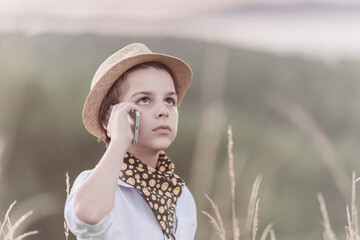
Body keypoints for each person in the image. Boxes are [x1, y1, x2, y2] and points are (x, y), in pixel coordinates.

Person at [64, 43, 197, 240]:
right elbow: (88, 215)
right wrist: (119, 139)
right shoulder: (97, 186)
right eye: (144, 99)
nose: (163, 111)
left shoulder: (182, 196)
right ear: (109, 118)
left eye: (169, 100)